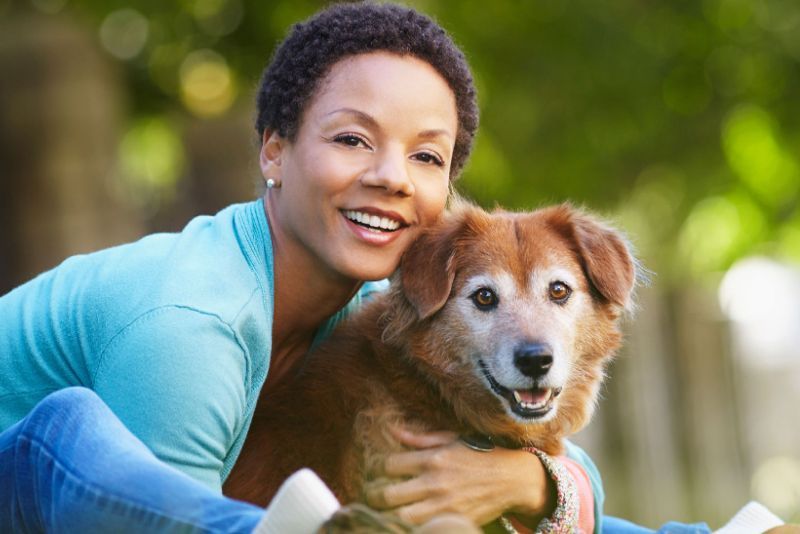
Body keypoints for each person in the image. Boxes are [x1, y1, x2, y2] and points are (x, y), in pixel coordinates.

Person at [0, 2, 733, 533]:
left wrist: (526, 480)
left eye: (425, 156)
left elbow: (511, 470)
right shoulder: (192, 324)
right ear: (274, 151)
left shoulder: (392, 304)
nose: (391, 177)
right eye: (353, 139)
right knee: (65, 426)